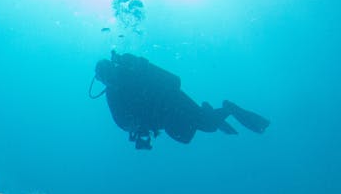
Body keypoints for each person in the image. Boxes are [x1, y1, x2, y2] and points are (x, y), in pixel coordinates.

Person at [91, 51, 270, 149]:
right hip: (166, 112)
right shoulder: (115, 91)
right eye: (103, 77)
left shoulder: (126, 75)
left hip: (172, 103)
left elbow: (122, 121)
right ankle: (210, 111)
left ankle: (228, 109)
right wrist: (140, 130)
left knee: (206, 126)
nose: (108, 79)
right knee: (187, 136)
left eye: (106, 74)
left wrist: (139, 128)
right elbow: (121, 121)